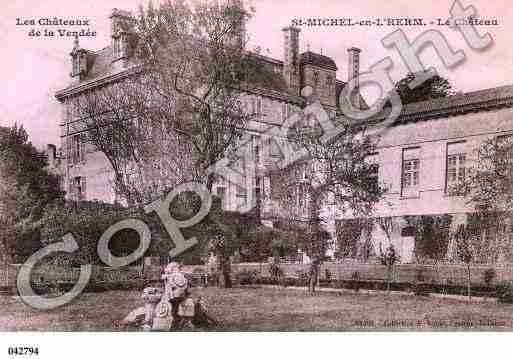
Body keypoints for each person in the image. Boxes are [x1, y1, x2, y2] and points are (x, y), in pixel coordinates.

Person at [162, 262, 189, 326]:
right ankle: (176, 320)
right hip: (180, 295)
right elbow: (185, 286)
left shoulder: (172, 276)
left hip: (173, 295)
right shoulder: (181, 276)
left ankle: (173, 322)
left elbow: (171, 286)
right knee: (175, 307)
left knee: (173, 308)